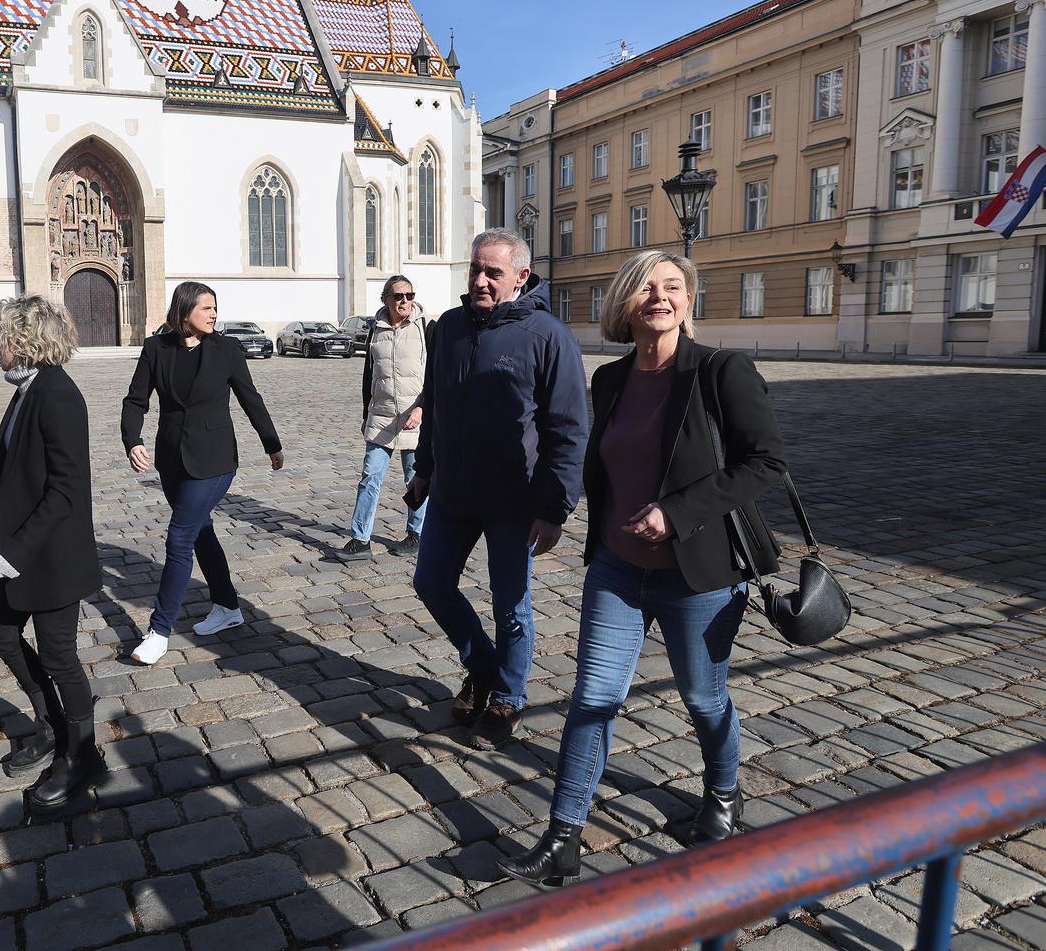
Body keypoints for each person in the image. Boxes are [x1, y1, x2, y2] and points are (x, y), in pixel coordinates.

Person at [497, 250, 788, 888]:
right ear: (626, 303)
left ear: (688, 300)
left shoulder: (722, 371)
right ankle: (563, 835)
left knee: (703, 697)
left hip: (699, 574)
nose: (660, 297)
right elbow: (597, 462)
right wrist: (564, 517)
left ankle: (722, 795)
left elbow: (765, 463)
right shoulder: (612, 379)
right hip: (617, 569)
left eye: (673, 287)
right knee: (593, 698)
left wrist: (677, 513)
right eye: (647, 288)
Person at [406, 230, 589, 750]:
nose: (481, 281)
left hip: (515, 501)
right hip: (453, 494)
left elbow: (569, 428)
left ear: (521, 277)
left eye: (493, 273)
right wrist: (424, 467)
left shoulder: (548, 335)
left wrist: (554, 508)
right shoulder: (448, 328)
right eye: (475, 270)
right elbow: (435, 403)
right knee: (431, 583)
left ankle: (509, 697)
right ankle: (484, 667)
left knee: (512, 607)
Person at [0, 297, 105, 810]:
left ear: (25, 341)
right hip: (22, 551)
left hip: (51, 556)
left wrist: (17, 550)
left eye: (3, 336)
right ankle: (51, 726)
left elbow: (67, 489)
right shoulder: (28, 389)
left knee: (59, 657)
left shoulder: (57, 394)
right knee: (2, 636)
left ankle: (83, 756)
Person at [121, 281, 283, 665]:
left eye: (215, 307)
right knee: (199, 532)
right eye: (206, 307)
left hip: (214, 462)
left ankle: (159, 631)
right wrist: (133, 440)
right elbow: (135, 399)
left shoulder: (226, 349)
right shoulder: (155, 349)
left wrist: (271, 443)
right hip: (172, 460)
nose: (213, 314)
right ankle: (228, 607)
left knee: (179, 537)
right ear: (184, 311)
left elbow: (249, 397)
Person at [332, 276, 433, 561]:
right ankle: (360, 540)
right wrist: (366, 413)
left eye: (409, 295)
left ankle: (416, 535)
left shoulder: (427, 327)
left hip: (414, 416)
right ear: (385, 299)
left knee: (415, 479)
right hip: (382, 415)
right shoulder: (375, 329)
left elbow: (437, 373)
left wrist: (422, 408)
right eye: (399, 296)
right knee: (369, 477)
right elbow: (369, 374)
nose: (405, 301)